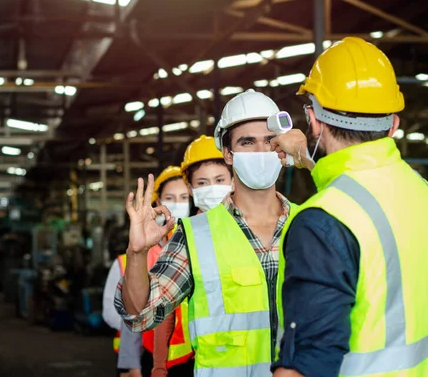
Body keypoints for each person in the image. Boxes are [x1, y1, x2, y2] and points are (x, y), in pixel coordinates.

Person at [270, 37, 428, 377]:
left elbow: (305, 367)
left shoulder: (320, 224)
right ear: (394, 124)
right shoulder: (427, 196)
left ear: (313, 121)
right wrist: (309, 163)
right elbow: (361, 201)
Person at [115, 89, 299, 377]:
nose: (261, 152)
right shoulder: (195, 234)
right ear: (228, 153)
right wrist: (137, 253)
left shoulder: (311, 223)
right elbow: (142, 314)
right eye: (247, 142)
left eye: (270, 141)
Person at [151, 135, 233, 377]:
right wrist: (158, 364)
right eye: (203, 182)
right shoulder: (185, 236)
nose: (212, 188)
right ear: (191, 188)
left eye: (219, 180)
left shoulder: (255, 226)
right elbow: (162, 308)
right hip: (196, 359)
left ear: (233, 180)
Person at [104, 166, 193, 377]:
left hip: (193, 359)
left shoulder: (199, 245)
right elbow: (124, 315)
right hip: (148, 359)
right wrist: (129, 362)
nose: (177, 203)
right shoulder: (140, 254)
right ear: (158, 202)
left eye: (183, 197)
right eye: (170, 197)